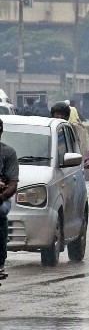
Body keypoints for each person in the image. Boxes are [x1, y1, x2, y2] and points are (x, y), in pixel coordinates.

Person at [0, 119, 19, 280]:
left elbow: (13, 184)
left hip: (1, 198)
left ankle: (0, 261)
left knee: (0, 212)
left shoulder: (8, 153)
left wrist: (2, 195)